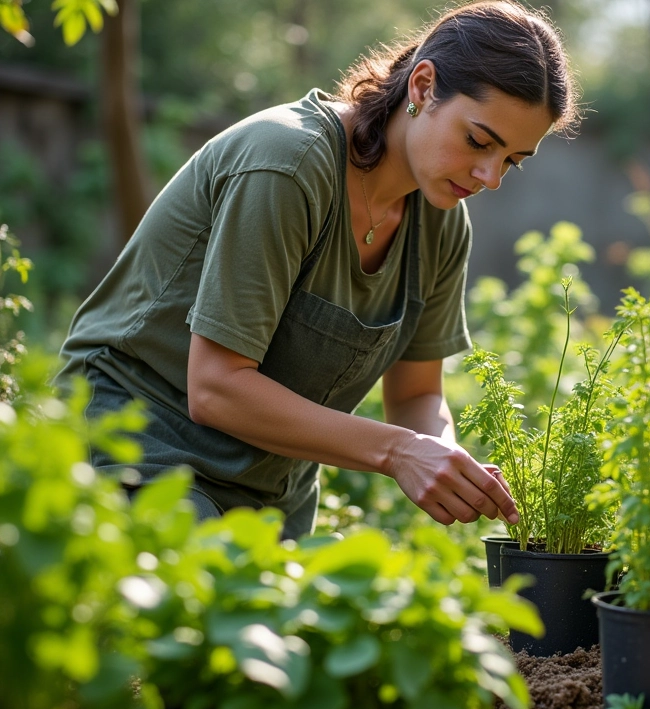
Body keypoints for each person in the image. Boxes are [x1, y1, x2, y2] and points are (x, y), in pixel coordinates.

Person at [57, 0, 580, 540]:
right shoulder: (288, 164)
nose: (490, 176)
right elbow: (215, 387)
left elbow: (416, 396)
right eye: (478, 141)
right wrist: (397, 451)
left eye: (511, 160)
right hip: (137, 451)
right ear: (423, 87)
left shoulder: (441, 222)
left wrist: (442, 459)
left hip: (269, 494)